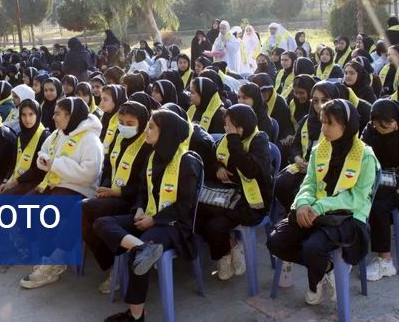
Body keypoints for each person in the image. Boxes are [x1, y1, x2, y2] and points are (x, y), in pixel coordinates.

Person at [267, 99, 379, 305]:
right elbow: (309, 183)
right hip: (315, 211)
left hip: (347, 216)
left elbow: (357, 198)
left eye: (329, 123)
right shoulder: (320, 150)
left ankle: (314, 281)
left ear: (346, 126)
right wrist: (302, 204)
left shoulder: (365, 156)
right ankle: (327, 267)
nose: (323, 128)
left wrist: (319, 207)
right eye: (322, 122)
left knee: (313, 247)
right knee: (275, 241)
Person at [95, 109, 202, 322]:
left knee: (138, 257)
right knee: (102, 223)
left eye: (151, 127)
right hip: (148, 216)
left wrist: (154, 219)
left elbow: (184, 206)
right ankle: (142, 247)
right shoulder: (153, 155)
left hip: (173, 225)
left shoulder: (186, 161)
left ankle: (136, 316)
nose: (146, 131)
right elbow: (144, 191)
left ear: (167, 132)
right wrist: (141, 210)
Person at [20, 97, 104, 289]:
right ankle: (44, 253)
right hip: (53, 183)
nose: (53, 116)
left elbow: (90, 174)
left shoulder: (90, 139)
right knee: (23, 207)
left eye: (58, 113)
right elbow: (43, 151)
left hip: (78, 189)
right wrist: (44, 160)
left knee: (46, 213)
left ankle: (52, 264)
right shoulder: (59, 133)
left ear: (71, 115)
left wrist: (55, 164)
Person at [82, 101, 153, 292]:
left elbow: (144, 186)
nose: (124, 127)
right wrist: (105, 186)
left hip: (131, 201)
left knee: (84, 209)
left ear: (142, 122)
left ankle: (116, 264)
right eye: (121, 122)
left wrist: (118, 192)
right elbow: (109, 166)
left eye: (130, 123)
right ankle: (113, 261)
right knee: (82, 212)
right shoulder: (119, 138)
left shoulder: (147, 146)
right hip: (111, 193)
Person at [197, 104, 272, 281]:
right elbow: (211, 159)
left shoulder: (259, 140)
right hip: (225, 195)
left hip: (251, 201)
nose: (226, 129)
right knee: (196, 214)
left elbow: (250, 170)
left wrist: (234, 141)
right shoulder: (225, 139)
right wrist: (218, 167)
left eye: (230, 126)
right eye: (226, 125)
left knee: (215, 225)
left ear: (242, 126)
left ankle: (228, 248)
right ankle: (227, 250)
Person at [275, 82, 340, 212]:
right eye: (315, 101)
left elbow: (341, 152)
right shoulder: (306, 119)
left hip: (326, 169)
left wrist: (313, 165)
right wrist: (297, 157)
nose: (320, 105)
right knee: (280, 184)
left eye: (325, 100)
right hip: (302, 165)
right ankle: (293, 212)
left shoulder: (340, 122)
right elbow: (296, 144)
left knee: (304, 190)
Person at [362, 99, 399, 281]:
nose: (384, 130)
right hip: (377, 177)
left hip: (396, 181)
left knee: (378, 204)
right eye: (379, 126)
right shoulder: (370, 131)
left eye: (388, 125)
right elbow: (362, 152)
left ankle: (385, 261)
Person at [0, 99, 51, 195]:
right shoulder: (20, 135)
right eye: (23, 115)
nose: (27, 119)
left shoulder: (45, 136)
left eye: (31, 114)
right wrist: (5, 181)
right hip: (16, 178)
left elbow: (38, 170)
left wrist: (14, 182)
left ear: (38, 114)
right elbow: (13, 163)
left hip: (34, 182)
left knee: (3, 198)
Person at [99, 84, 128, 154]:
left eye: (105, 99)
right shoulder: (103, 116)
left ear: (116, 100)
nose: (101, 103)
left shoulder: (124, 121)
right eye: (101, 99)